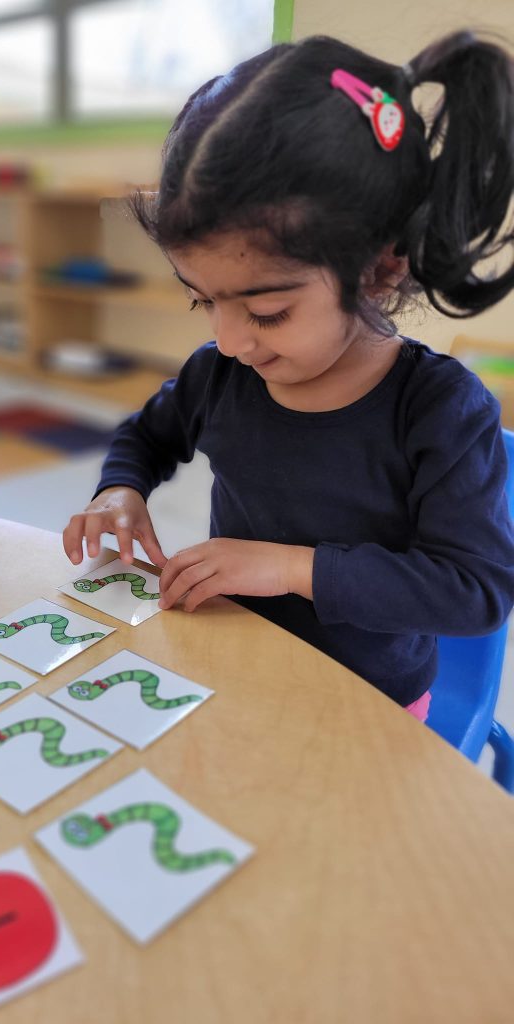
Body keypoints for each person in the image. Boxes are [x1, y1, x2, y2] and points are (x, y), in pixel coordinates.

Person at [62, 30, 514, 720]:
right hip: (230, 660)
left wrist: (288, 567)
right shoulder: (220, 373)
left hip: (369, 701)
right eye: (202, 297)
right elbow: (147, 436)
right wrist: (120, 490)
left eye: (266, 311)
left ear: (381, 268)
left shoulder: (441, 409)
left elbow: (474, 590)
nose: (227, 339)